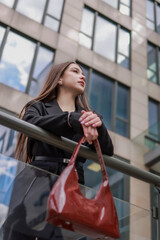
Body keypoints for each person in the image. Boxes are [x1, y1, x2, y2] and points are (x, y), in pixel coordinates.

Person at [3, 61, 114, 240]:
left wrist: (98, 127)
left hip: (73, 184)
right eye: (75, 71)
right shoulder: (39, 107)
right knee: (19, 232)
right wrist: (70, 120)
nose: (82, 76)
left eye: (83, 73)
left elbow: (108, 150)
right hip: (38, 179)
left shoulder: (87, 116)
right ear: (59, 79)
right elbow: (30, 125)